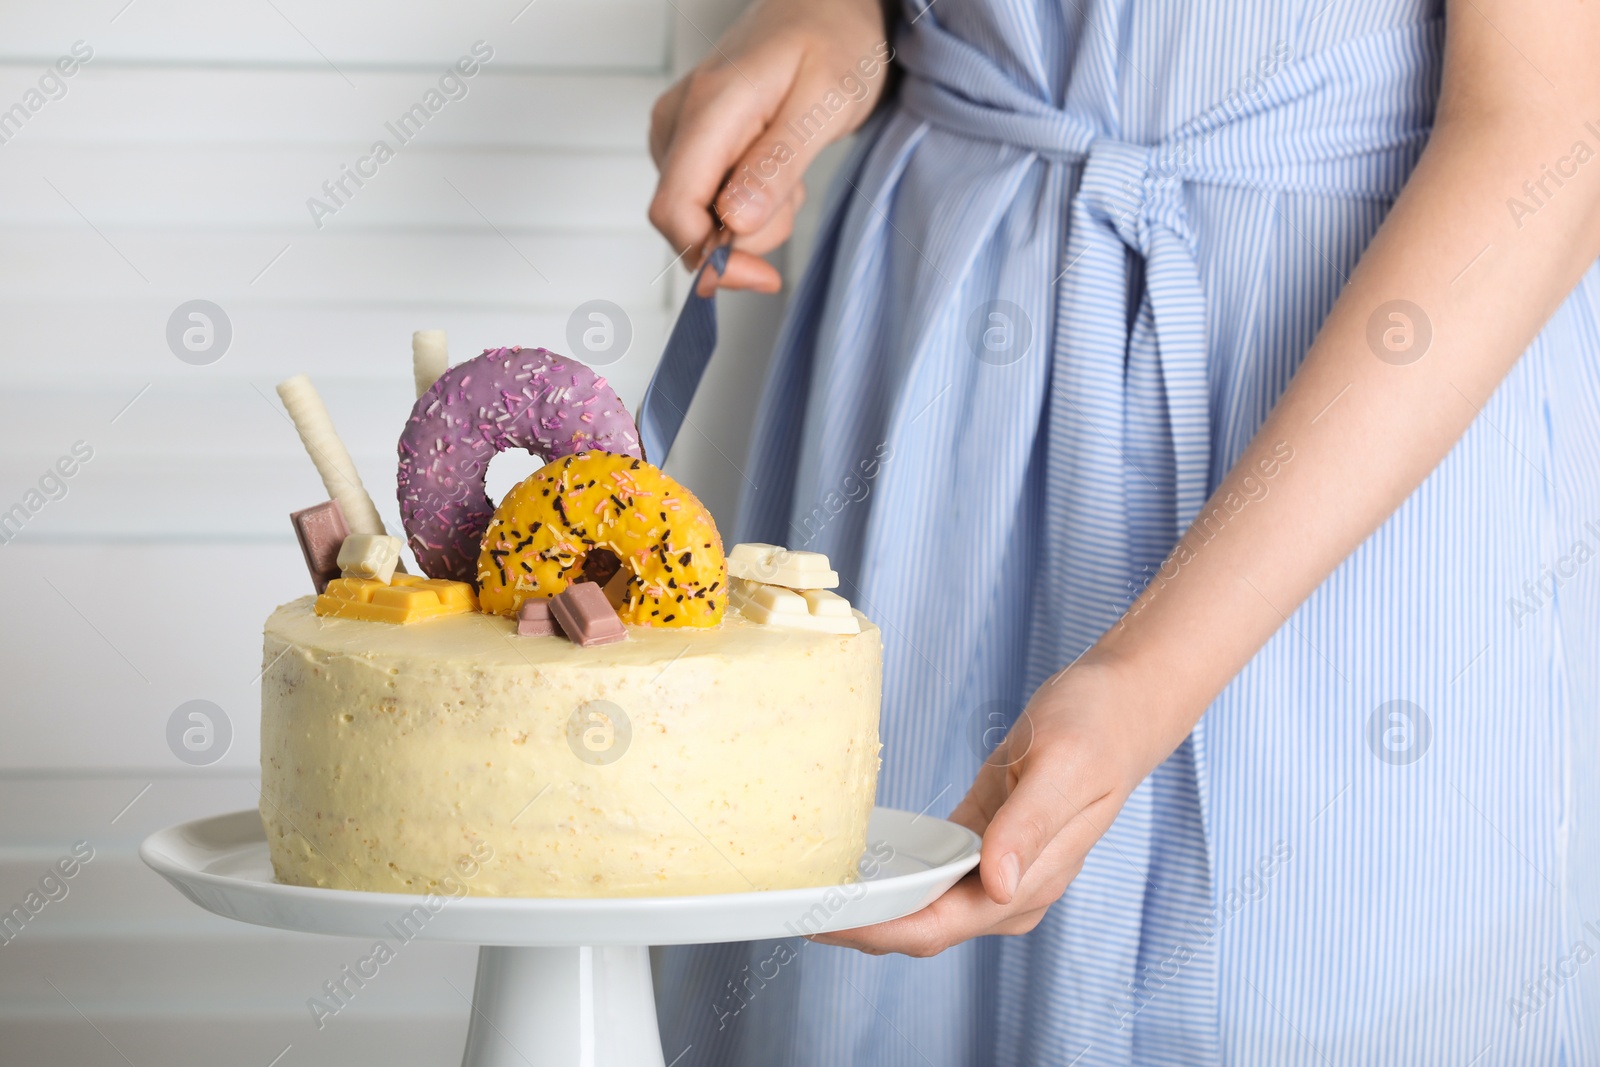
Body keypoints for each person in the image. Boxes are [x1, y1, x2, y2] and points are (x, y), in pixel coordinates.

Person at [647, 0, 1600, 1062]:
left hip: (1363, 411)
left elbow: (1548, 132)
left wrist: (1151, 673)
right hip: (942, 358)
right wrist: (827, 21)